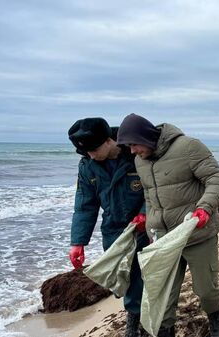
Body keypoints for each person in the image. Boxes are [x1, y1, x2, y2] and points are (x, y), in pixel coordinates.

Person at [117, 113, 219, 337]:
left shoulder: (188, 147)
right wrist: (148, 223)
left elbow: (217, 178)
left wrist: (204, 207)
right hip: (163, 239)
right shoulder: (140, 161)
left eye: (134, 144)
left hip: (196, 234)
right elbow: (149, 196)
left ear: (145, 137)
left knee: (206, 290)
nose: (132, 151)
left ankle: (215, 322)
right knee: (163, 297)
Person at [67, 117, 149, 337]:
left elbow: (155, 188)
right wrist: (78, 242)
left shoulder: (135, 153)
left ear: (108, 141)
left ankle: (150, 321)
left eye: (93, 150)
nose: (90, 155)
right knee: (126, 277)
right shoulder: (87, 165)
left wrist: (144, 214)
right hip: (113, 229)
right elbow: (85, 205)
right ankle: (133, 318)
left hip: (145, 227)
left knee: (147, 273)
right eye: (85, 153)